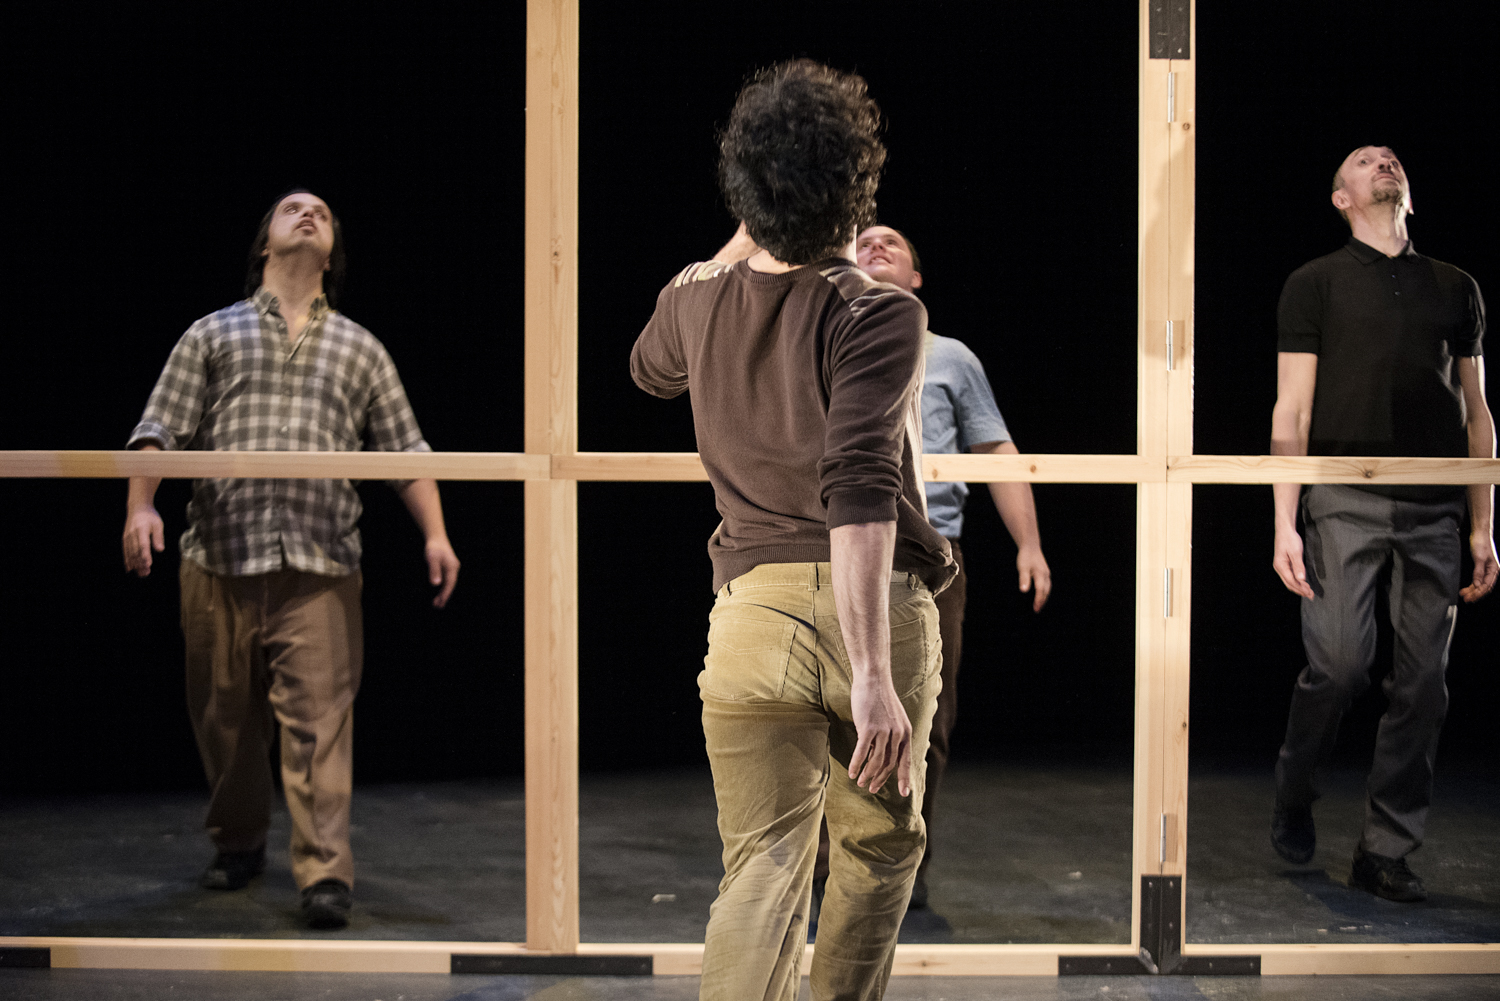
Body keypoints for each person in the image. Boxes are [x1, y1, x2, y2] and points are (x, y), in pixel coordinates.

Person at [631, 60, 954, 1001]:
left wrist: (745, 231)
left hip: (751, 618)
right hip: (871, 613)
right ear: (856, 194)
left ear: (746, 187)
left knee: (762, 866)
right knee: (877, 850)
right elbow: (856, 482)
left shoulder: (698, 299)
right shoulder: (880, 310)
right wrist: (868, 673)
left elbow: (649, 370)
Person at [122, 189, 460, 929]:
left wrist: (435, 532)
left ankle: (324, 874)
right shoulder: (212, 333)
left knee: (319, 725)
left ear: (331, 251)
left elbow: (404, 450)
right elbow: (158, 430)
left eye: (323, 212)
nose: (308, 213)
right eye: (290, 208)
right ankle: (239, 841)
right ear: (264, 245)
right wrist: (140, 505)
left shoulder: (360, 347)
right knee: (224, 721)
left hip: (320, 564)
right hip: (219, 558)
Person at [1268, 146, 1494, 903]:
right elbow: (1290, 411)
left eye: (1390, 158)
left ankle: (1385, 846)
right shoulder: (1315, 283)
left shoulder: (1455, 287)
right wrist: (1284, 520)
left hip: (1434, 502)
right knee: (1336, 665)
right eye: (1366, 162)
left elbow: (1477, 409)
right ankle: (1295, 785)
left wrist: (1482, 524)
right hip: (1341, 494)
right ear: (1341, 197)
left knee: (1424, 682)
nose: (1384, 161)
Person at [854, 225, 1052, 909]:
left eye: (893, 245)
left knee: (927, 720)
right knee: (830, 710)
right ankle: (834, 867)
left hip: (929, 557)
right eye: (862, 241)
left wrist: (1028, 542)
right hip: (836, 553)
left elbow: (996, 451)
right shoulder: (823, 343)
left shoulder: (952, 358)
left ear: (916, 279)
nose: (875, 245)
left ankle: (905, 864)